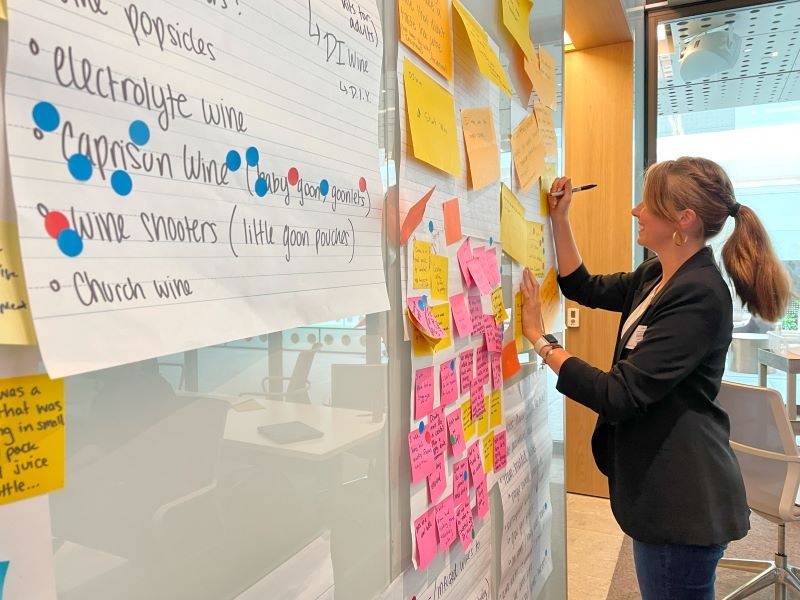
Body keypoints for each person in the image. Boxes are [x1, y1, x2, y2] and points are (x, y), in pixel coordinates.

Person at [520, 157, 792, 599]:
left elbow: (621, 393)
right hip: (662, 478)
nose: (635, 211)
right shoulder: (657, 273)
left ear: (683, 221)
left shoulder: (700, 294)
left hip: (681, 496)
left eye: (648, 203)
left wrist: (542, 342)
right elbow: (582, 286)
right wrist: (559, 218)